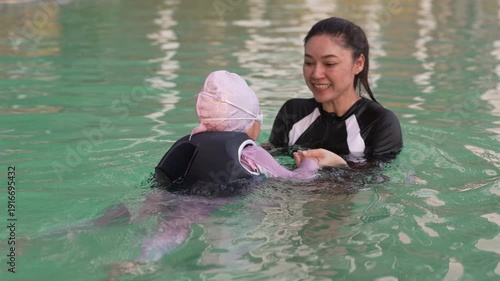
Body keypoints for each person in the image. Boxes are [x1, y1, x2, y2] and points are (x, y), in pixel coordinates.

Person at [155, 70, 346, 194]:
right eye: (258, 118)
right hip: (204, 204)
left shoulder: (191, 141)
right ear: (248, 121)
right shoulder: (250, 153)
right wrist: (310, 164)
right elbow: (297, 181)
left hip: (164, 195)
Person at [268, 17, 403, 165]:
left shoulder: (379, 123)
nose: (316, 74)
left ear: (358, 64)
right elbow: (267, 161)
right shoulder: (293, 112)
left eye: (329, 63)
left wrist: (339, 167)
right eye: (309, 62)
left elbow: (381, 181)